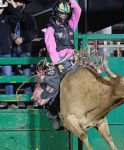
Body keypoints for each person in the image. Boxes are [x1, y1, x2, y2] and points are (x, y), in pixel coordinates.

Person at [41, 0, 81, 129]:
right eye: (61, 14)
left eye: (66, 14)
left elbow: (78, 10)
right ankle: (53, 114)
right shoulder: (50, 29)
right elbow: (51, 48)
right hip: (60, 61)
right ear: (56, 13)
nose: (64, 16)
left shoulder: (70, 25)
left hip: (73, 58)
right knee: (56, 84)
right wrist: (58, 64)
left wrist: (71, 1)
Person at [12, 0, 38, 95]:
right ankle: (13, 102)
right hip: (12, 48)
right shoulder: (10, 16)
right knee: (12, 74)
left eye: (20, 2)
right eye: (16, 1)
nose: (18, 3)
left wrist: (23, 38)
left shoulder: (29, 17)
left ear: (23, 4)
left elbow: (34, 33)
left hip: (24, 48)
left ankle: (28, 100)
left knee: (26, 74)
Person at [0, 0, 21, 97]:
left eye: (1, 7)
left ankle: (10, 101)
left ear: (3, 8)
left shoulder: (7, 18)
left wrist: (13, 3)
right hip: (5, 52)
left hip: (5, 52)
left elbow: (18, 16)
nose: (0, 9)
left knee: (8, 77)